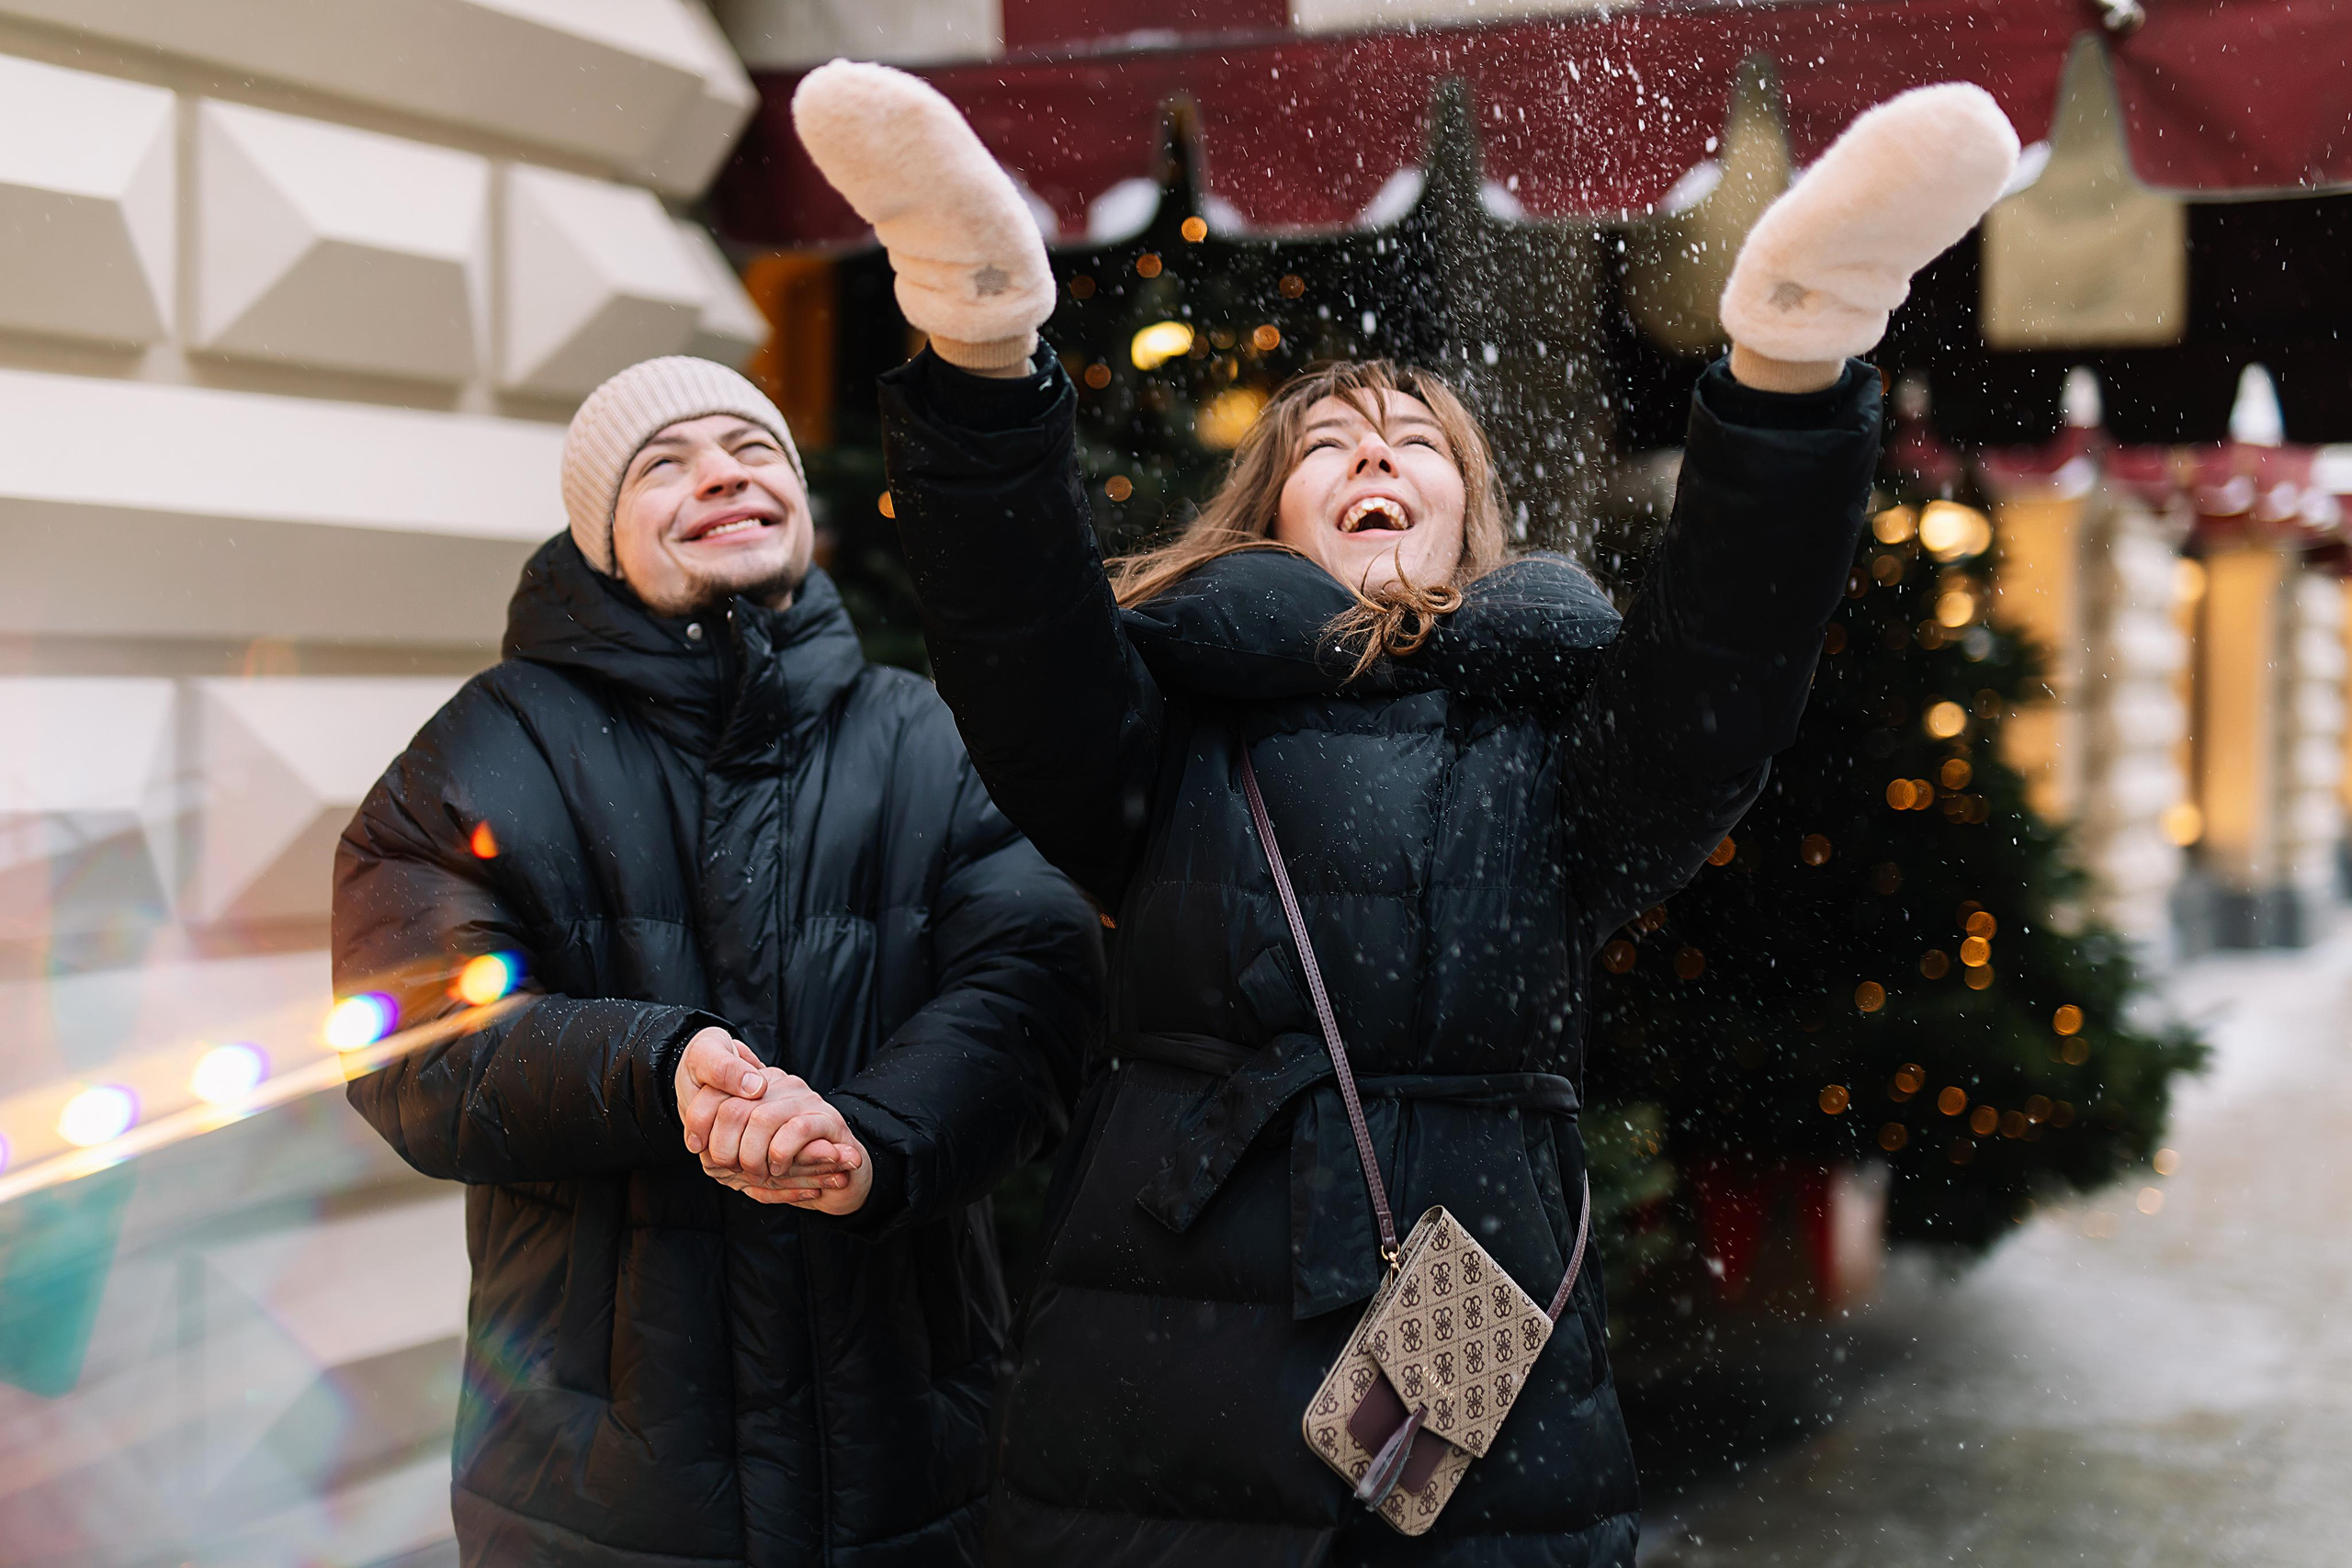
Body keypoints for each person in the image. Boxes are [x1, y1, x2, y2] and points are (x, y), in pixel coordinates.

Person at [784, 62, 2020, 1565]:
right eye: (1330, 445)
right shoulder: (1163, 726)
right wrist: (983, 358)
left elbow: (1722, 675)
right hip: (1167, 1387)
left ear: (1472, 521)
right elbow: (1016, 629)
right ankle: (973, 301)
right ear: (1268, 517)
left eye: (1417, 442)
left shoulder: (1558, 748)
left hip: (1478, 1376)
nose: (1375, 450)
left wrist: (1791, 383)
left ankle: (1801, 329)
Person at [334, 355, 1102, 1568]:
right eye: (664, 463)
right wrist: (657, 1068)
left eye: (753, 451)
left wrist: (874, 1141)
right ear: (598, 538)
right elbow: (416, 1043)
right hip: (594, 1501)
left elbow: (1037, 984)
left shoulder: (929, 735)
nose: (722, 476)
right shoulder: (482, 752)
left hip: (916, 1474)